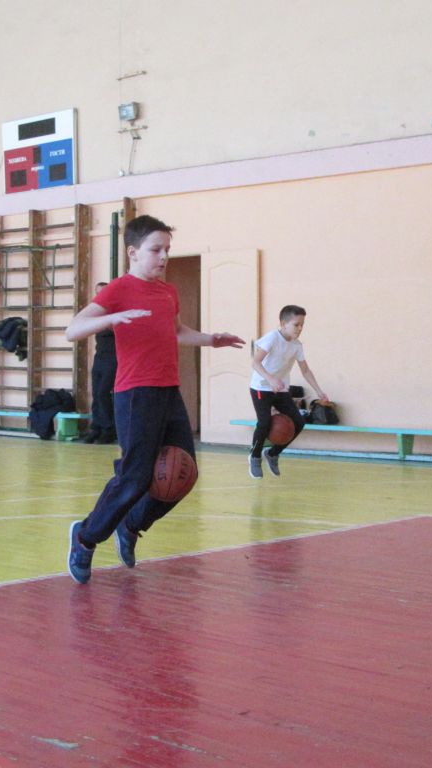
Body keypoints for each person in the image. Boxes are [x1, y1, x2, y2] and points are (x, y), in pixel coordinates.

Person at [64, 214, 245, 584]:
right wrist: (112, 318)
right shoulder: (118, 290)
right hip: (135, 393)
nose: (163, 257)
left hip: (168, 391)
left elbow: (175, 330)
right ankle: (85, 537)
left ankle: (131, 525)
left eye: (167, 250)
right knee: (135, 478)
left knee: (183, 474)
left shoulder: (167, 292)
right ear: (133, 252)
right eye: (156, 249)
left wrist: (211, 339)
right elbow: (73, 329)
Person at [248, 305, 329, 479]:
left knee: (298, 422)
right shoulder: (272, 338)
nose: (300, 328)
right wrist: (271, 379)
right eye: (296, 324)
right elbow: (255, 362)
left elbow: (305, 370)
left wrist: (319, 391)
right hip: (261, 387)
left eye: (302, 325)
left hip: (281, 389)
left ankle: (273, 453)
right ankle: (254, 457)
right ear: (283, 324)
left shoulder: (297, 346)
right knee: (264, 422)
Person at [80, 282, 118, 444]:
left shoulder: (115, 313)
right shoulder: (97, 313)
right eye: (97, 293)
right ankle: (96, 427)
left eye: (102, 292)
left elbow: (116, 329)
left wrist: (104, 320)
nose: (99, 296)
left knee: (104, 392)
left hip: (114, 357)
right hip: (100, 357)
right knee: (96, 393)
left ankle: (109, 429)